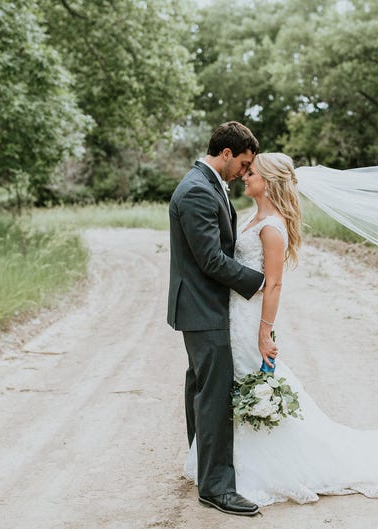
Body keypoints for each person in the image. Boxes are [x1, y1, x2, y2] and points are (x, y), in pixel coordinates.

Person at [184, 152, 378, 506]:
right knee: (236, 384)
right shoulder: (256, 217)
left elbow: (274, 285)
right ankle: (230, 464)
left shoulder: (272, 228)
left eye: (251, 172)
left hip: (251, 320)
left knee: (251, 380)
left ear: (268, 181)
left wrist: (265, 332)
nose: (245, 177)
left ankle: (263, 468)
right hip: (233, 315)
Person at [167, 121, 274, 516]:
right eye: (243, 163)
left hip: (204, 307)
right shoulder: (197, 190)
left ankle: (202, 467)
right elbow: (211, 259)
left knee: (200, 387)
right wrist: (259, 281)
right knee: (213, 396)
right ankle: (217, 488)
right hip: (202, 306)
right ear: (226, 153)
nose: (245, 172)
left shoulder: (206, 184)